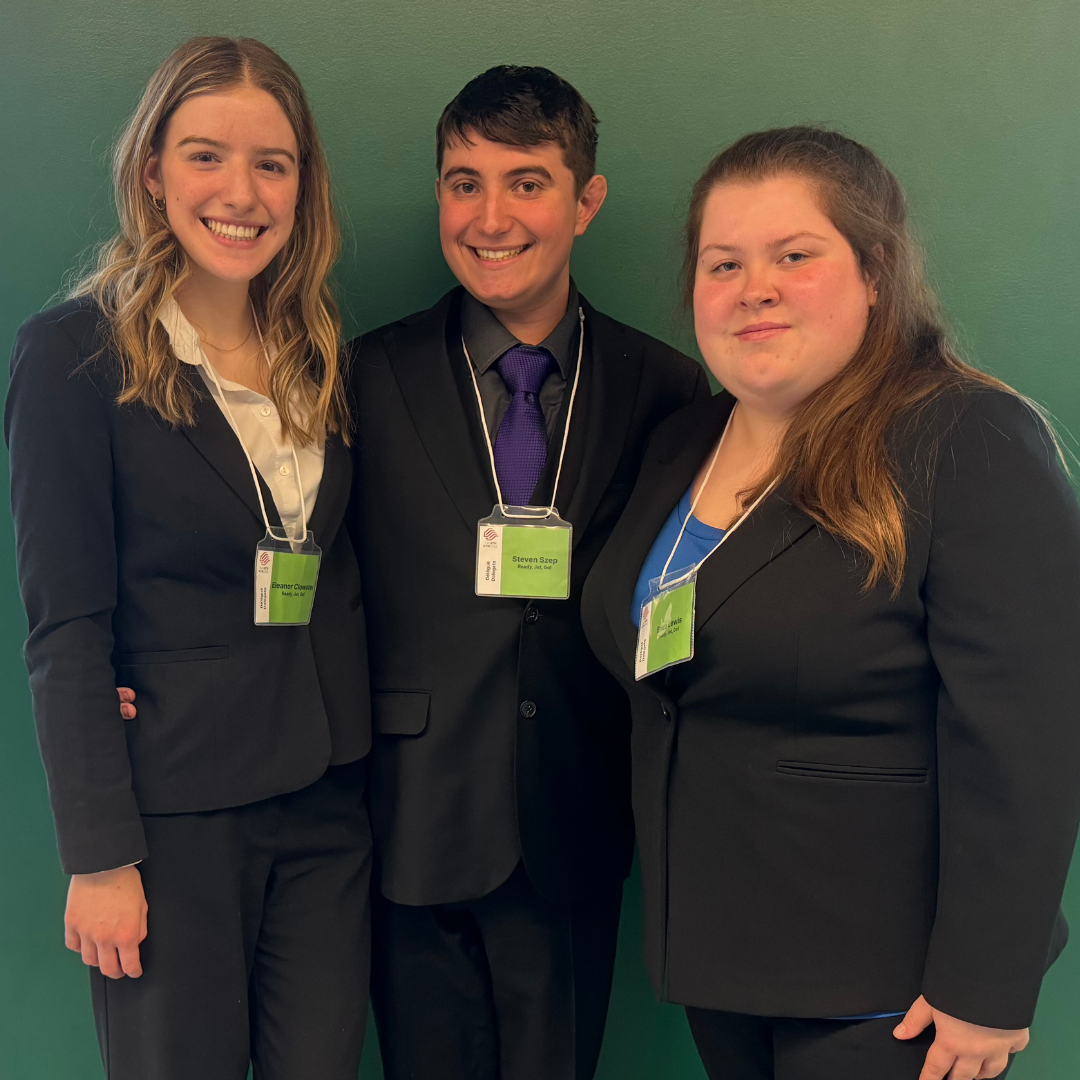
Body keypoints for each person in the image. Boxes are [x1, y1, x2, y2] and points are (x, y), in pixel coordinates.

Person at [580, 126, 1080, 1080]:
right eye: (723, 262)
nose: (752, 287)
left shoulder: (966, 438)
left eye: (794, 256)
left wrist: (988, 984)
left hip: (890, 997)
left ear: (876, 272)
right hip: (724, 964)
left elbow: (1028, 740)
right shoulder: (681, 441)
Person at [5, 37, 372, 1080]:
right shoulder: (73, 356)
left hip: (327, 804)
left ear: (304, 185)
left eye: (274, 162)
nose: (241, 193)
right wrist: (99, 853)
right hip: (170, 820)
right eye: (207, 155)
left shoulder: (321, 353)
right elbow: (64, 625)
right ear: (152, 171)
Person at [348, 66, 708, 1080]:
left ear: (585, 201)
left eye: (527, 183)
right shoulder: (362, 376)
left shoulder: (665, 388)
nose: (490, 215)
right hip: (408, 816)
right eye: (464, 182)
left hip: (575, 817)